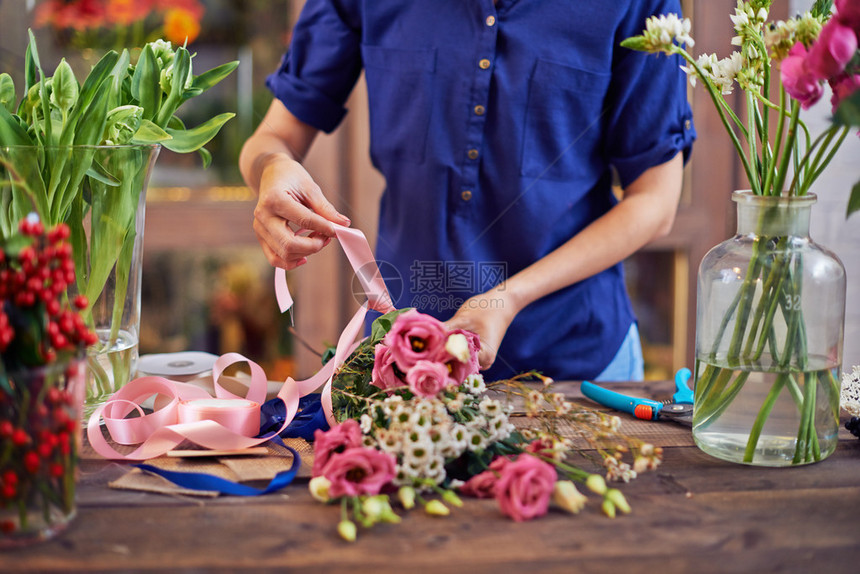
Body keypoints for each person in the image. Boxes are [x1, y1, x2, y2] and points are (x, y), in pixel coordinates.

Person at [240, 0, 695, 382]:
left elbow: (655, 201)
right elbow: (272, 139)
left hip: (579, 368)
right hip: (405, 362)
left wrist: (507, 299)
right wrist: (272, 167)